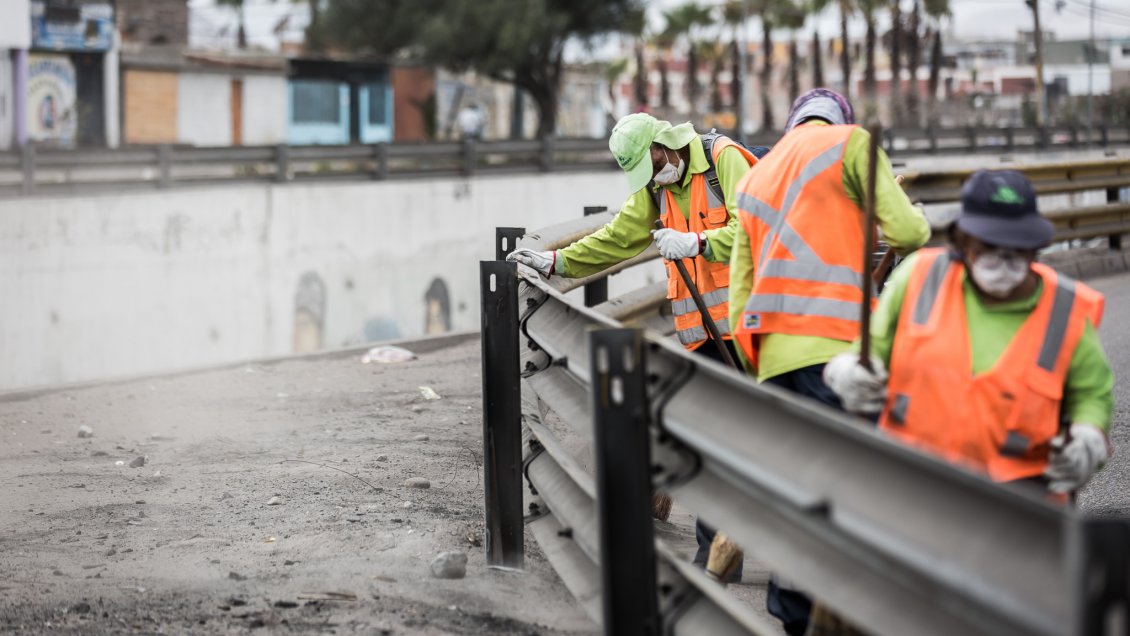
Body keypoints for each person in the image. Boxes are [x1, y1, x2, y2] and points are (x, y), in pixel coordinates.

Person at [507, 112, 760, 578]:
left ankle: (739, 556)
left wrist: (698, 243)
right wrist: (556, 262)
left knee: (747, 444)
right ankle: (717, 558)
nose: (651, 179)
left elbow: (754, 229)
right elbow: (621, 238)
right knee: (710, 444)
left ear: (664, 145)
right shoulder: (657, 187)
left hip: (749, 333)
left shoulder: (725, 162)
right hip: (702, 337)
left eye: (653, 164)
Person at [727, 88, 931, 636]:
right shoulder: (853, 146)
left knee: (797, 491)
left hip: (772, 360)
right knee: (851, 493)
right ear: (841, 120)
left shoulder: (755, 176)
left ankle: (795, 616)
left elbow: (738, 297)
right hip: (835, 355)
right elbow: (910, 234)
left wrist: (760, 365)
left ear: (793, 123)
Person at [824, 169, 1112, 498]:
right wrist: (848, 371)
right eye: (989, 245)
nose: (1003, 258)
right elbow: (870, 348)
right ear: (963, 240)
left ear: (1034, 247)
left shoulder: (1065, 309)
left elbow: (1092, 394)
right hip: (917, 491)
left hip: (1023, 506)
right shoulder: (919, 279)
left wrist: (1089, 434)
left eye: (1017, 247)